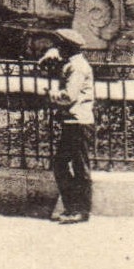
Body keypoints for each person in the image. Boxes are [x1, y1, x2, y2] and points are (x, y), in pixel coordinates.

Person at [40, 28, 95, 224]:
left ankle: (80, 210)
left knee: (79, 167)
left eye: (59, 44)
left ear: (67, 46)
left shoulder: (77, 67)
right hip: (73, 122)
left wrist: (51, 92)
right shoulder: (71, 64)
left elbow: (68, 96)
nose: (57, 48)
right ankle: (73, 208)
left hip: (79, 122)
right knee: (62, 165)